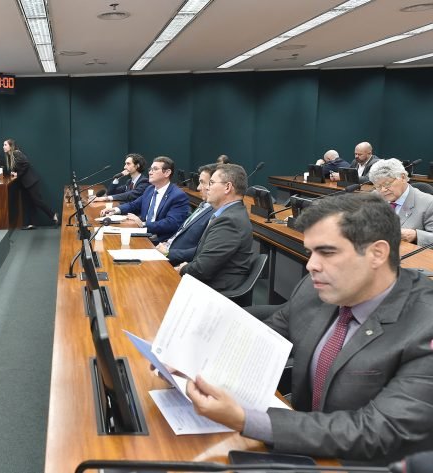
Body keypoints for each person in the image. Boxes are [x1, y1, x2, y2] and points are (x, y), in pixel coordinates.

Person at [184, 192, 433, 464]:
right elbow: (264, 336)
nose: (311, 265)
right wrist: (192, 360)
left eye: (327, 252)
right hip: (303, 442)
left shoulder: (425, 324)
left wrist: (246, 419)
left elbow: (378, 431)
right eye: (310, 252)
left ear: (377, 253)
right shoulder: (315, 289)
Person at [177, 163, 253, 294]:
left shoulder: (229, 221)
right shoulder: (229, 214)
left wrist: (182, 269)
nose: (207, 188)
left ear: (227, 187)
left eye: (211, 183)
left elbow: (202, 269)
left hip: (214, 292)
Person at [100, 156, 189, 243]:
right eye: (150, 169)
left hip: (159, 240)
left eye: (155, 169)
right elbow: (134, 205)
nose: (150, 172)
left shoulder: (178, 195)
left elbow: (171, 223)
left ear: (167, 173)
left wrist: (143, 224)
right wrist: (115, 210)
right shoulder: (150, 189)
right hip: (143, 233)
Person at [155, 163, 216, 265]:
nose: (198, 188)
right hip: (166, 248)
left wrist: (168, 253)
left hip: (177, 261)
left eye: (202, 182)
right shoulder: (204, 204)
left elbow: (201, 251)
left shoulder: (217, 213)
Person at [368, 158, 433, 246]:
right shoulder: (374, 196)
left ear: (402, 177)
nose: (383, 190)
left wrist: (416, 236)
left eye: (387, 184)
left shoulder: (429, 203)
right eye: (378, 186)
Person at [4, 138, 58, 230]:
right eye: (4, 145)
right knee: (28, 203)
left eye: (5, 145)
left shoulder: (16, 153)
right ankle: (30, 223)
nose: (3, 147)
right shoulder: (11, 156)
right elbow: (18, 166)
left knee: (38, 201)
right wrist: (14, 172)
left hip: (31, 182)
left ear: (11, 146)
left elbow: (26, 163)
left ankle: (54, 216)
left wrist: (18, 174)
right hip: (25, 184)